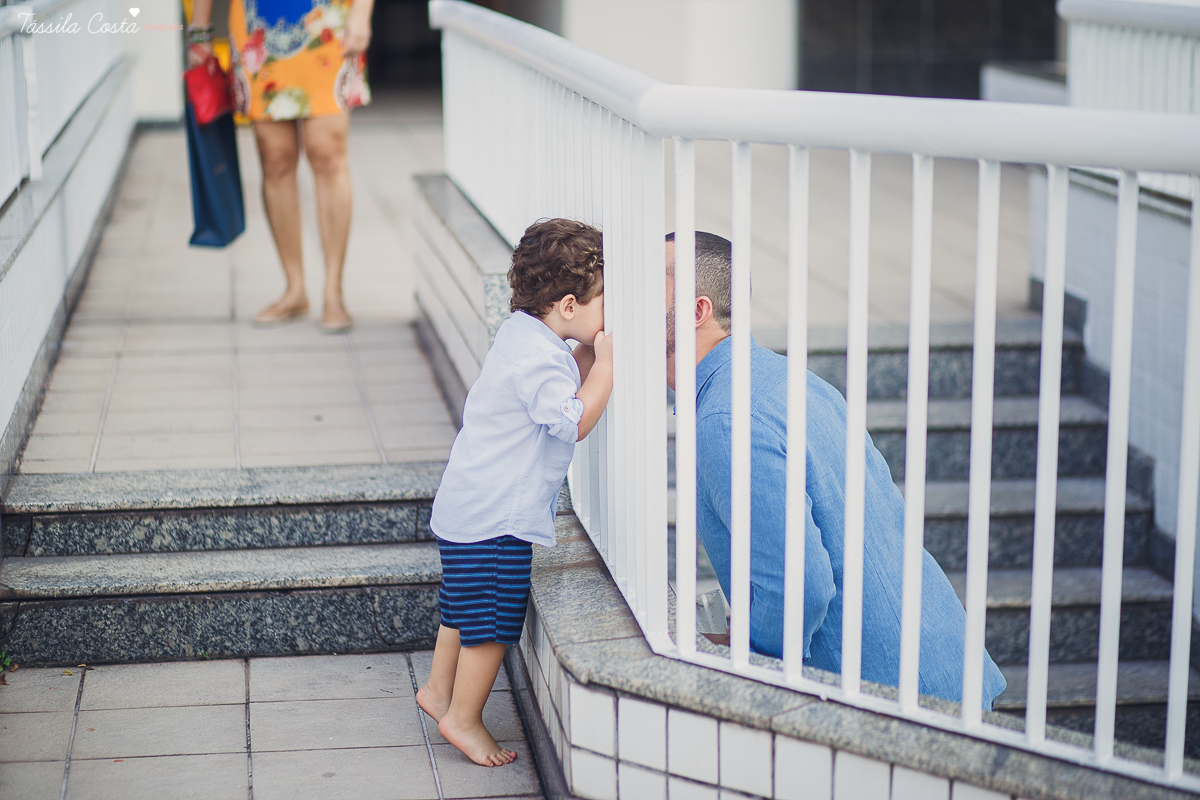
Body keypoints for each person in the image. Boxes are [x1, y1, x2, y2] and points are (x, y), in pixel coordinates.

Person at [666, 231, 1006, 710]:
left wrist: (754, 666)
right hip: (941, 668)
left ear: (696, 311)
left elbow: (796, 583)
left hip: (890, 705)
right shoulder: (786, 379)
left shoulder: (726, 418)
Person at [417, 219, 614, 766]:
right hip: (496, 520)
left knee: (459, 608)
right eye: (606, 302)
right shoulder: (542, 358)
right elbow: (570, 420)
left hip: (467, 506)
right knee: (493, 621)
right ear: (569, 305)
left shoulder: (523, 334)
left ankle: (438, 690)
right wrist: (608, 369)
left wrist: (585, 361)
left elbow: (550, 390)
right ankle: (462, 717)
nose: (610, 316)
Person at [186, 0, 373, 332]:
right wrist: (199, 29)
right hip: (256, 21)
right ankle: (294, 288)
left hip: (328, 19)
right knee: (275, 157)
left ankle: (333, 291)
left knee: (327, 152)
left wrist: (362, 12)